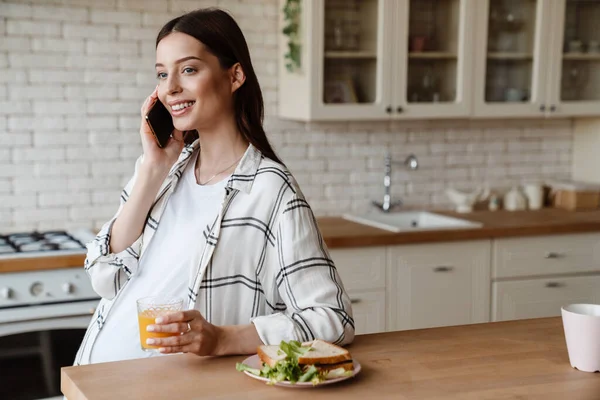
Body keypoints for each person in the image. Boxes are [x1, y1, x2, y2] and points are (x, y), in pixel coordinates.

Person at [74, 8, 354, 365]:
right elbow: (104, 278)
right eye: (162, 74)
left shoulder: (270, 191)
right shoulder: (159, 171)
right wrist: (152, 169)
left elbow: (332, 318)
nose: (170, 87)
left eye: (188, 69)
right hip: (92, 380)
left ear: (235, 75)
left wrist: (222, 338)